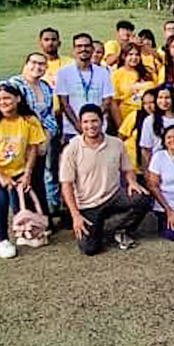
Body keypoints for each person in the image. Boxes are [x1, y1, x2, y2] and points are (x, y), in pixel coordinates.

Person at [60, 104, 151, 255]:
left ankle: (119, 229)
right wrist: (75, 215)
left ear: (102, 122)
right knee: (90, 249)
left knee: (142, 198)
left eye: (94, 121)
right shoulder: (71, 149)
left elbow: (127, 169)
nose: (90, 126)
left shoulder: (116, 143)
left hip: (112, 196)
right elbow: (67, 185)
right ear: (80, 124)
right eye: (86, 122)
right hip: (87, 205)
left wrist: (132, 182)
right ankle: (101, 229)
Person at [0, 83, 47, 258]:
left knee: (21, 195)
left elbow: (33, 147)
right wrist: (1, 175)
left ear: (18, 98)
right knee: (1, 198)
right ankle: (2, 240)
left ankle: (22, 232)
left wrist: (27, 173)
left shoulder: (29, 120)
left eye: (6, 98)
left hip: (16, 167)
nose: (2, 102)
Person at [8, 53, 59, 214]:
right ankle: (24, 221)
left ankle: (43, 218)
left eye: (42, 64)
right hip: (19, 140)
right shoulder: (14, 85)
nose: (37, 67)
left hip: (41, 140)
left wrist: (46, 136)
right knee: (20, 181)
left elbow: (49, 116)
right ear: (26, 64)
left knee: (38, 180)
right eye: (34, 63)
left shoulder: (45, 87)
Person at [56, 33, 117, 142]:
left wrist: (92, 122)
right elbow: (64, 104)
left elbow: (107, 101)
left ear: (92, 49)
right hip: (72, 130)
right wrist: (78, 125)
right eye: (79, 46)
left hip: (98, 129)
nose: (83, 49)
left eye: (87, 46)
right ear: (73, 50)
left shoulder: (103, 72)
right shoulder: (63, 73)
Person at [111, 43, 157, 122]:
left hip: (148, 115)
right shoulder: (117, 74)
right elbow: (114, 102)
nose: (134, 57)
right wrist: (119, 125)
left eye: (137, 55)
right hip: (127, 117)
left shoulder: (148, 72)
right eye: (130, 54)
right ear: (124, 56)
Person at [117, 90, 155, 179]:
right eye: (145, 103)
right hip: (133, 168)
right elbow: (120, 137)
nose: (148, 107)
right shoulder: (135, 116)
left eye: (151, 103)